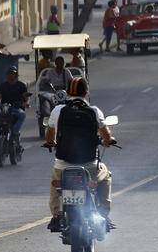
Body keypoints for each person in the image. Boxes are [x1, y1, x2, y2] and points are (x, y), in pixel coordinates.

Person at [45, 77, 116, 231]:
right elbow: (106, 136)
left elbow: (49, 136)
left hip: (62, 165)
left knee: (55, 183)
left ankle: (56, 215)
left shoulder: (58, 110)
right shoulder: (95, 111)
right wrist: (108, 141)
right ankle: (103, 215)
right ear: (86, 93)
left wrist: (51, 142)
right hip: (89, 166)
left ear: (68, 92)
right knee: (106, 176)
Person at [0, 67, 28, 141]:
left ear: (16, 75)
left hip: (16, 108)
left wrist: (25, 103)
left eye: (13, 74)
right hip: (5, 108)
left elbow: (26, 97)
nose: (11, 75)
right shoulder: (3, 86)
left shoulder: (21, 85)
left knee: (22, 114)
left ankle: (15, 132)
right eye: (9, 74)